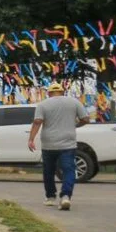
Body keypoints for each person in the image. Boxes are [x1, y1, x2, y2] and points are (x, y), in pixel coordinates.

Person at [29, 82, 89, 210]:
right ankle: (66, 196)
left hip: (48, 144)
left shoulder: (43, 104)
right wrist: (75, 125)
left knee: (48, 171)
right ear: (62, 92)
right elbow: (85, 119)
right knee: (68, 170)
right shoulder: (74, 102)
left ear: (49, 93)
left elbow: (37, 122)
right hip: (68, 143)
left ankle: (50, 197)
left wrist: (31, 139)